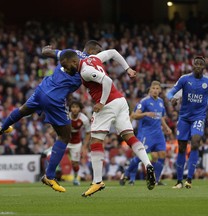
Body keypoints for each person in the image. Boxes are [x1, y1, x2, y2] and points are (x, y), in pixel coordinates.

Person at [0, 40, 103, 193]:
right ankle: (49, 176)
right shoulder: (88, 64)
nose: (99, 56)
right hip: (54, 98)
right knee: (64, 136)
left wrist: (46, 49)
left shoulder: (69, 53)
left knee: (23, 110)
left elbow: (46, 52)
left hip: (42, 88)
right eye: (98, 52)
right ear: (92, 50)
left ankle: (3, 127)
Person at [60, 50, 156, 197]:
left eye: (66, 66)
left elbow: (107, 81)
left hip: (107, 104)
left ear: (73, 62)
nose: (66, 70)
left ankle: (97, 181)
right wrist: (127, 68)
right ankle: (148, 164)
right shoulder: (92, 58)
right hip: (121, 101)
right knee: (129, 136)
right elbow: (112, 52)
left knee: (96, 140)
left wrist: (101, 102)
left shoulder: (85, 71)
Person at [167, 56, 208, 189]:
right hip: (184, 118)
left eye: (200, 64)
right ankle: (179, 181)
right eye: (196, 63)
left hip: (198, 118)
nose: (198, 66)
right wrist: (172, 99)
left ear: (204, 67)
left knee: (195, 142)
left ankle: (189, 179)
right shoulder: (185, 79)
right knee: (182, 147)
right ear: (192, 65)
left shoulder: (207, 81)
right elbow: (170, 92)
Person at [120, 81, 172, 186]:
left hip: (158, 133)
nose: (155, 90)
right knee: (140, 156)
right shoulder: (144, 102)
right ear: (150, 90)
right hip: (146, 133)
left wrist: (166, 127)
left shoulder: (161, 102)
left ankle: (156, 180)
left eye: (157, 89)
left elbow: (160, 116)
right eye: (153, 88)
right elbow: (134, 115)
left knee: (162, 154)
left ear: (160, 90)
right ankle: (126, 174)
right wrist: (146, 114)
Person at [67, 100, 91, 186]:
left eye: (77, 107)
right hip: (64, 140)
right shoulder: (66, 116)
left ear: (80, 109)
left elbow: (88, 132)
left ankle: (75, 178)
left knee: (75, 163)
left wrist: (84, 146)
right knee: (55, 157)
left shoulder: (84, 119)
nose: (75, 109)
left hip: (76, 143)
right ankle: (50, 177)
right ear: (70, 108)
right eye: (73, 107)